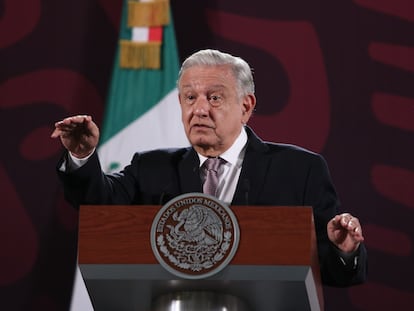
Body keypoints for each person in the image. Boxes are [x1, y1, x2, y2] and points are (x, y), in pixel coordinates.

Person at [51, 49, 367, 287]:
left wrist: (345, 251)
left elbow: (336, 269)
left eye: (214, 97)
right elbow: (99, 204)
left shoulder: (301, 169)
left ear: (246, 106)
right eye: (190, 97)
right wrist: (82, 156)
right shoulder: (152, 167)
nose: (199, 109)